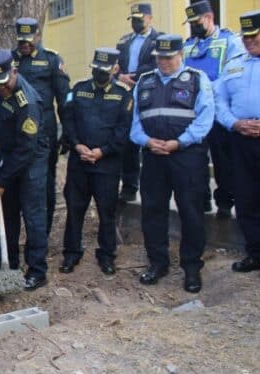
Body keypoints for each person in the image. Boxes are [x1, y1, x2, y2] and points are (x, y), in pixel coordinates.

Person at [130, 35, 214, 293]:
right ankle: (157, 263)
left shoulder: (198, 79)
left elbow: (205, 118)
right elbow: (134, 124)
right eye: (159, 57)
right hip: (154, 156)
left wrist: (180, 142)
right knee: (153, 212)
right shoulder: (145, 81)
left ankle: (191, 268)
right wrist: (146, 141)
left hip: (187, 156)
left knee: (191, 212)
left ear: (181, 55)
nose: (163, 62)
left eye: (168, 57)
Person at [60, 48, 133, 275]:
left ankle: (107, 255)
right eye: (96, 70)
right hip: (79, 161)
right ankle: (71, 253)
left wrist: (102, 151)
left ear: (115, 69)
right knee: (74, 209)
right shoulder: (79, 90)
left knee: (106, 211)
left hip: (107, 164)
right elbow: (68, 120)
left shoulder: (123, 95)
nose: (100, 74)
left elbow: (123, 131)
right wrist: (76, 144)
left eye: (105, 71)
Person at [0, 49, 49, 290]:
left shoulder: (28, 101)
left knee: (33, 216)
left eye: (4, 83)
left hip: (30, 159)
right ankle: (8, 265)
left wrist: (2, 183)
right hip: (8, 154)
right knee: (7, 213)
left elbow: (26, 150)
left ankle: (37, 271)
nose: (1, 88)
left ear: (15, 72)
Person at [183, 0, 245, 218]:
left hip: (219, 112)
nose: (193, 26)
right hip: (194, 113)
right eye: (190, 23)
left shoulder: (230, 41)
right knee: (196, 159)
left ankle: (225, 202)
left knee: (223, 159)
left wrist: (208, 92)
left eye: (197, 21)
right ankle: (203, 199)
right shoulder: (188, 45)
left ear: (209, 17)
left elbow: (233, 75)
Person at [12, 17, 70, 236]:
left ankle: (41, 234)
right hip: (15, 132)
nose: (24, 45)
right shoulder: (10, 60)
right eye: (21, 41)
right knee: (12, 183)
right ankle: (7, 237)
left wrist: (67, 133)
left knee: (44, 184)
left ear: (37, 36)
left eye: (28, 40)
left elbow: (64, 100)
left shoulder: (52, 60)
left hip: (45, 132)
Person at [214, 9, 260, 273]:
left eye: (254, 35)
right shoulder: (233, 64)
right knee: (246, 199)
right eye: (246, 36)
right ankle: (255, 253)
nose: (249, 41)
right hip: (241, 140)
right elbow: (219, 100)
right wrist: (234, 122)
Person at [115, 3, 163, 202]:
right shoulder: (125, 41)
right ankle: (129, 185)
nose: (136, 22)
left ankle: (154, 187)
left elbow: (157, 64)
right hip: (126, 92)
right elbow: (114, 65)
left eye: (139, 19)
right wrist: (120, 76)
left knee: (149, 136)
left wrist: (135, 75)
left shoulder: (159, 39)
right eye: (133, 19)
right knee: (128, 141)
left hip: (149, 92)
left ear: (149, 18)